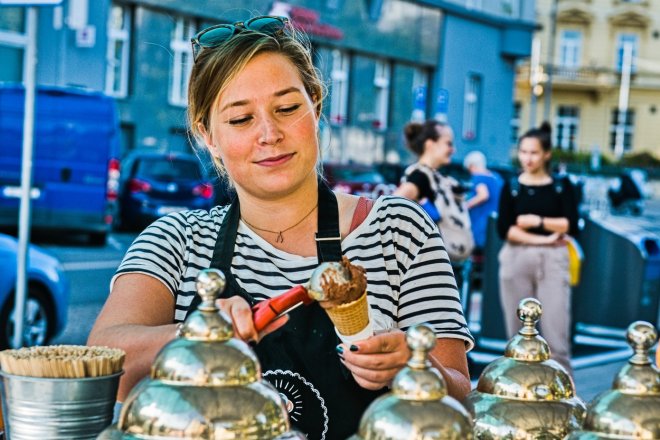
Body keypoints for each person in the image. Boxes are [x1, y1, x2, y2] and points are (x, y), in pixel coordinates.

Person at [87, 16, 473, 440]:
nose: (269, 134)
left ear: (317, 106)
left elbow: (460, 399)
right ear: (207, 136)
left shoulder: (399, 231)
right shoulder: (177, 240)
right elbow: (103, 362)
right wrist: (195, 335)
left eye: (287, 108)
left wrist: (415, 366)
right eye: (240, 119)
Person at [496, 122, 579, 374]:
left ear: (546, 154)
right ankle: (517, 391)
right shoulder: (511, 186)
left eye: (533, 152)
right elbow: (505, 229)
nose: (528, 158)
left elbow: (571, 224)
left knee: (557, 332)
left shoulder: (561, 186)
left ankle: (567, 398)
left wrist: (537, 222)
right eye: (523, 152)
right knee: (516, 332)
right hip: (516, 257)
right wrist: (544, 237)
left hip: (554, 259)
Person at [393, 120, 475, 291]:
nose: (453, 149)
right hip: (432, 270)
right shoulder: (420, 176)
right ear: (430, 144)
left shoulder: (432, 176)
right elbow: (393, 202)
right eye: (448, 143)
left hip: (440, 266)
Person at [463, 150, 504, 253]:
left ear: (472, 166)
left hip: (481, 222)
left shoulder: (478, 177)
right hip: (496, 222)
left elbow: (483, 195)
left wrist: (466, 205)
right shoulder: (496, 177)